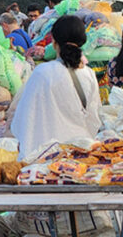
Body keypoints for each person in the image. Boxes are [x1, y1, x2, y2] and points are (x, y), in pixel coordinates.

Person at [11, 15, 101, 159]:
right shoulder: (89, 74)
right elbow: (94, 120)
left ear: (54, 42)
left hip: (44, 159)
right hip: (79, 157)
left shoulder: (42, 72)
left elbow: (24, 120)